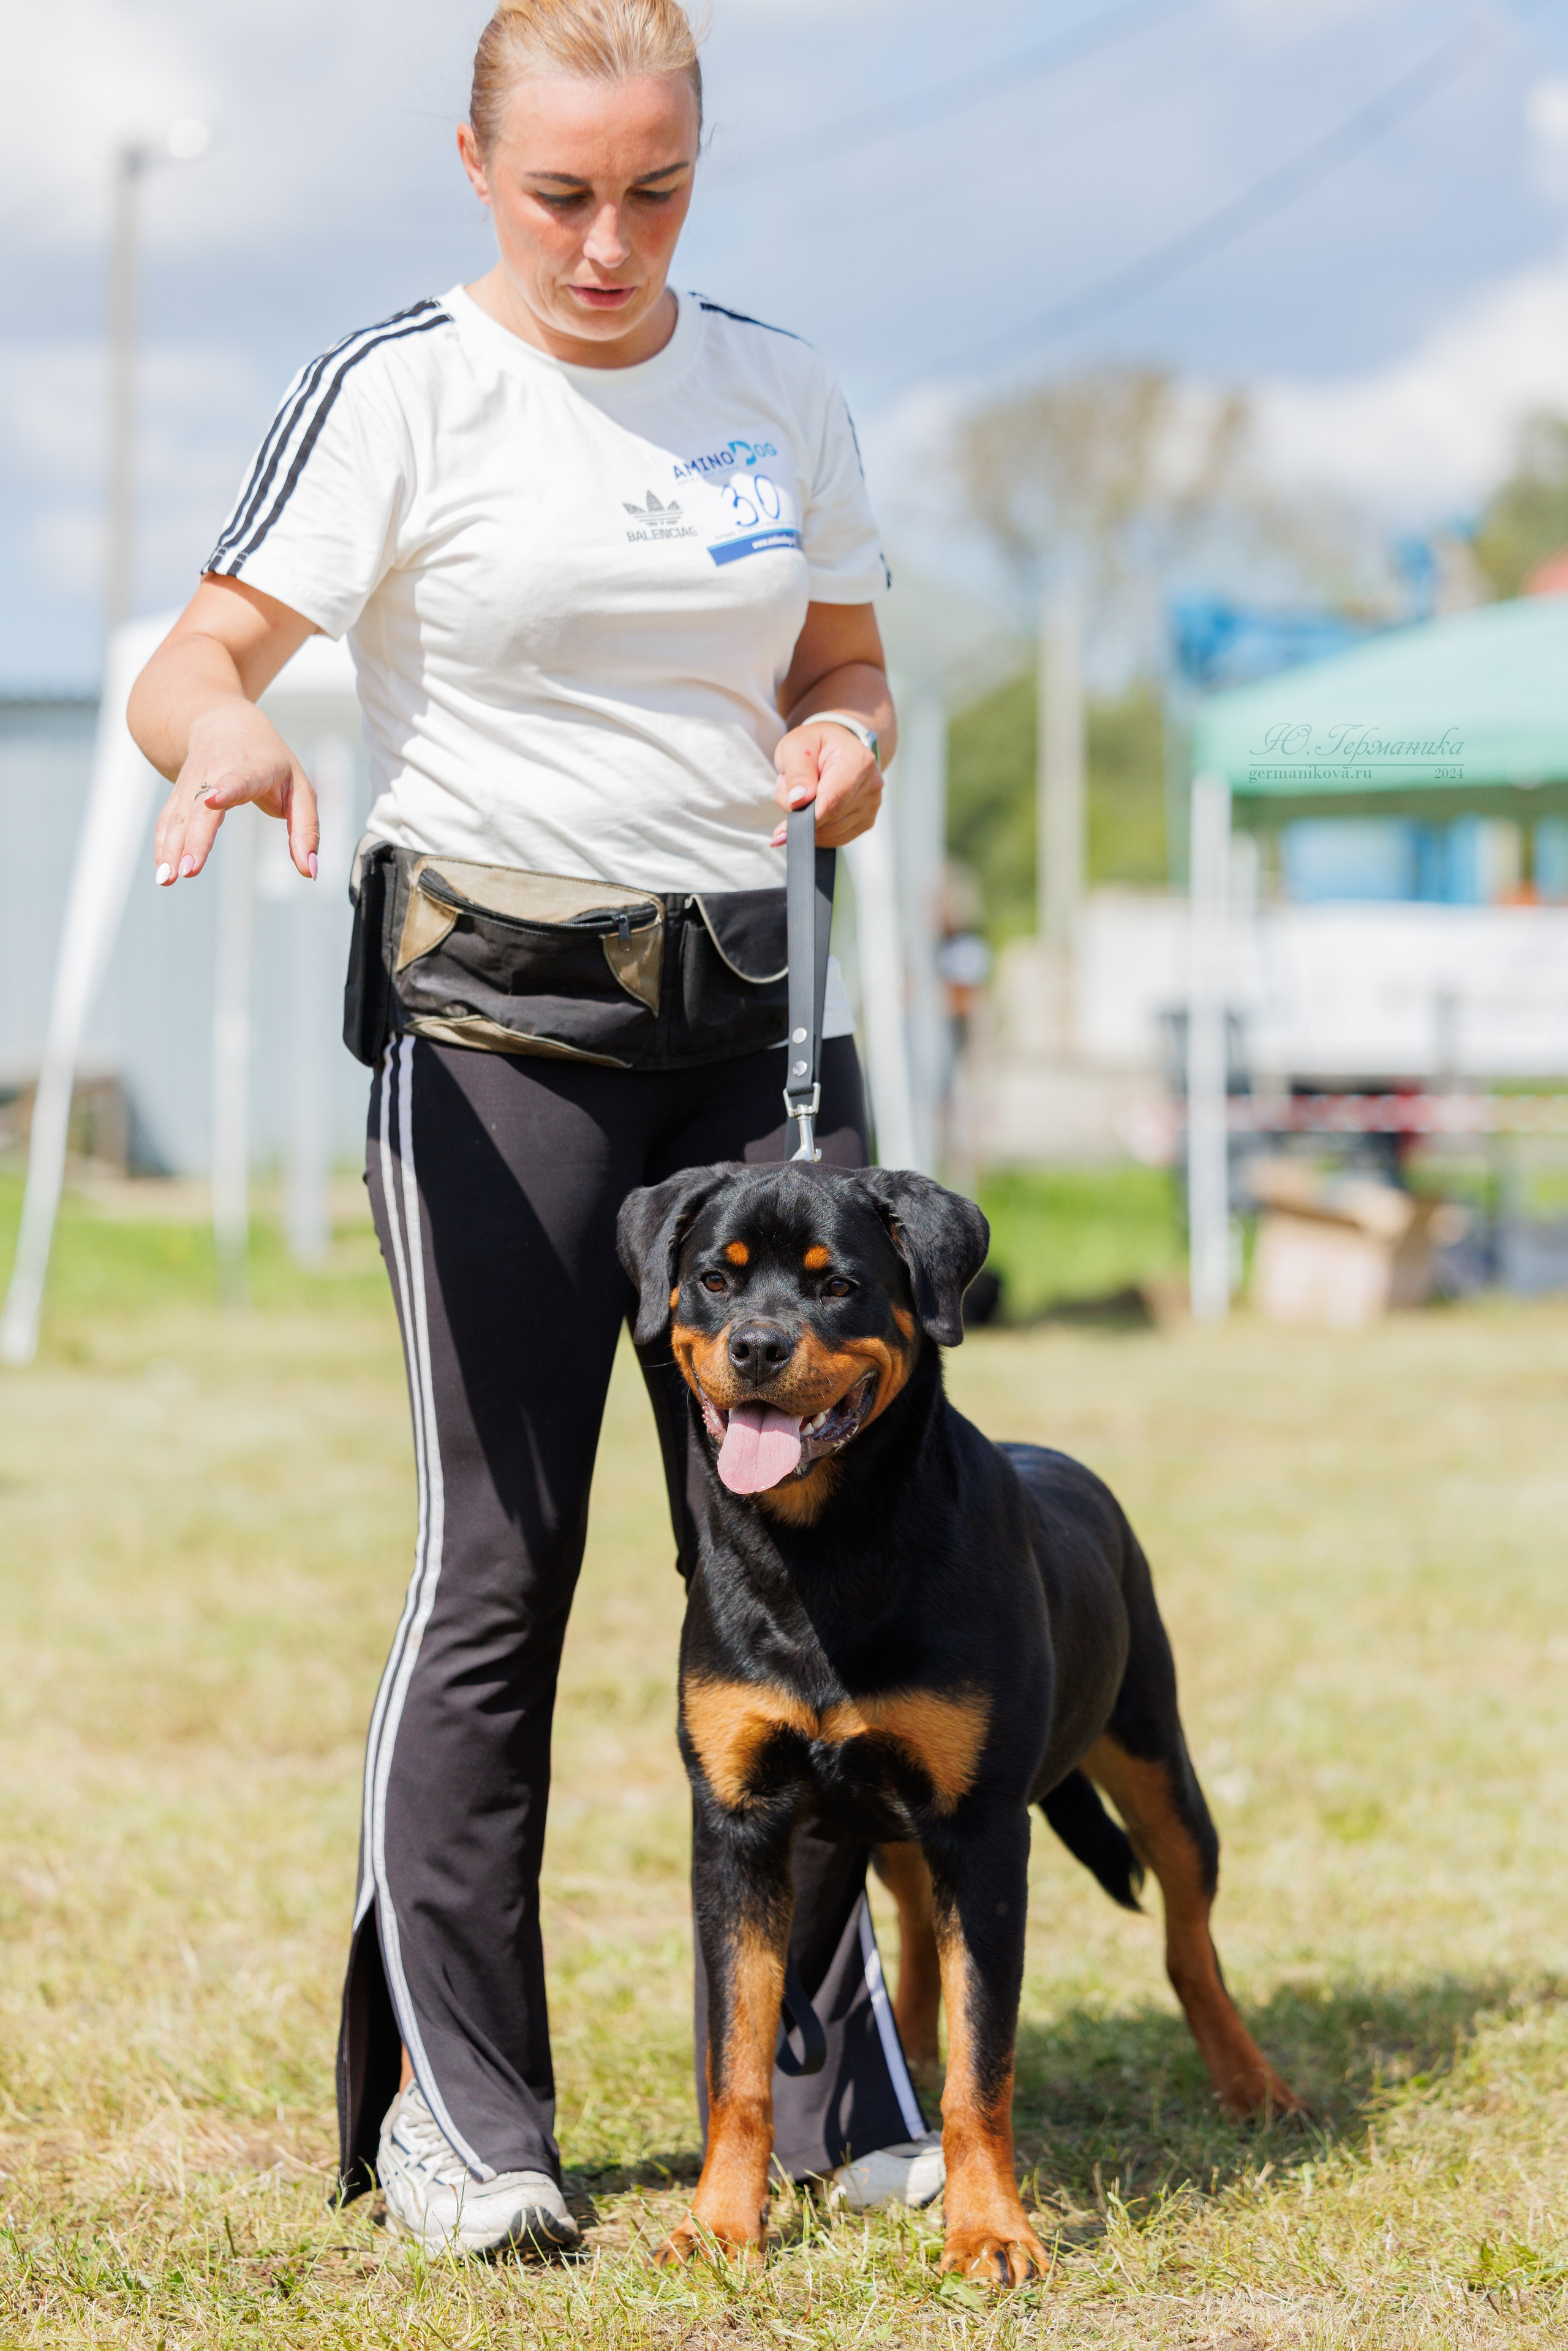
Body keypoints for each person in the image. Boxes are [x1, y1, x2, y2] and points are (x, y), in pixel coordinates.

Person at [127, 0, 940, 2260]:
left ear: (703, 162)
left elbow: (846, 671)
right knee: (504, 1572)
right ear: (474, 163)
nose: (610, 241)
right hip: (497, 1042)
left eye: (656, 190)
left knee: (808, 1577)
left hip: (758, 1057)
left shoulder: (781, 391)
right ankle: (465, 2119)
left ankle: (830, 2073)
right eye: (564, 191)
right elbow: (195, 659)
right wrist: (229, 742)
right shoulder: (401, 389)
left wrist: (847, 747)